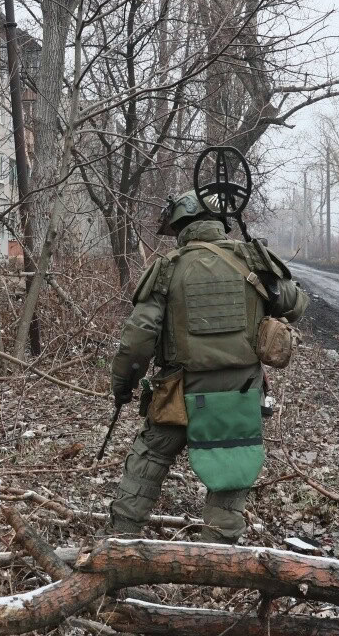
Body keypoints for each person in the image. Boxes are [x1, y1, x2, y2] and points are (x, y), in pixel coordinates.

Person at [107, 190, 309, 543]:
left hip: (180, 393)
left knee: (149, 459)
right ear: (219, 222)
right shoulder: (251, 259)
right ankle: (217, 558)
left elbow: (138, 337)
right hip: (240, 394)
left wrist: (123, 385)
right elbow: (295, 305)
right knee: (233, 467)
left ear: (181, 224)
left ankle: (120, 542)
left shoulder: (168, 269)